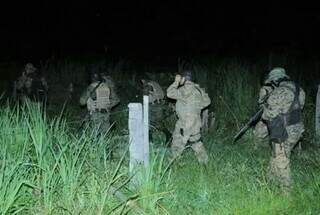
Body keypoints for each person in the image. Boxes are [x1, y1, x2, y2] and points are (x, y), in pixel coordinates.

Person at [261, 67, 305, 193]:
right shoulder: (298, 89)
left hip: (283, 131)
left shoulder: (278, 92)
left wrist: (265, 108)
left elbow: (268, 115)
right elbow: (299, 107)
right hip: (297, 129)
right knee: (277, 155)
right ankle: (269, 181)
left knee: (281, 159)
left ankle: (287, 192)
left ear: (275, 80)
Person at [167, 70, 211, 164]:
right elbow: (207, 102)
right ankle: (205, 164)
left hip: (184, 124)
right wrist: (196, 108)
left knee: (177, 145)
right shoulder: (198, 90)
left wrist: (176, 82)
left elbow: (169, 93)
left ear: (184, 78)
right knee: (197, 143)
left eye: (181, 78)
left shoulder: (183, 90)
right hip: (195, 124)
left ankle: (172, 166)